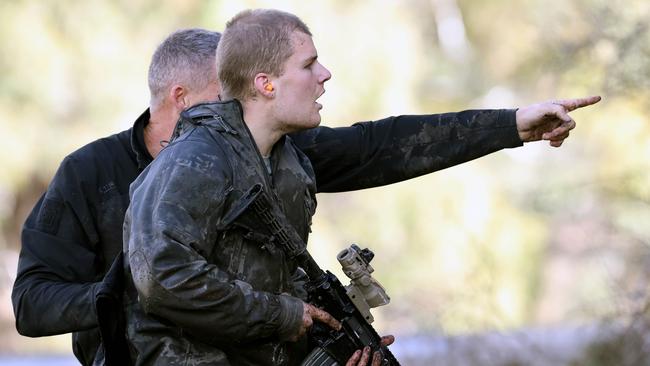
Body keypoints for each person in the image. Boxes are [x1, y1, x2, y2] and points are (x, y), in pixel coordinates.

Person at [123, 8, 600, 366]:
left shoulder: (288, 161)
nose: (325, 75)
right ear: (266, 83)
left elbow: (383, 145)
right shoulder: (193, 160)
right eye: (309, 65)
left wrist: (331, 342)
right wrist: (288, 316)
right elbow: (162, 278)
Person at [11, 28, 222, 365]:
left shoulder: (251, 159)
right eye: (223, 98)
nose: (236, 112)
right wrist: (128, 291)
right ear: (180, 97)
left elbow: (334, 152)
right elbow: (31, 304)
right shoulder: (88, 172)